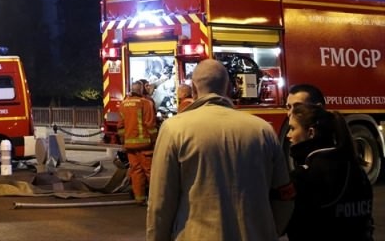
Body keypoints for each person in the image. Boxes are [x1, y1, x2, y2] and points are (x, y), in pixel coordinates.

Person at [146, 59, 295, 241]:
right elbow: (284, 195)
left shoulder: (173, 129)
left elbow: (160, 203)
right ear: (230, 88)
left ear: (193, 88)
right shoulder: (263, 130)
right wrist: (268, 231)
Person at [285, 104, 373, 240]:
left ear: (311, 132)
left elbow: (285, 223)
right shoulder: (357, 170)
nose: (288, 135)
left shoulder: (305, 175)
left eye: (292, 128)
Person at [117, 79, 157, 205]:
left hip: (130, 145)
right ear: (141, 90)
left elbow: (121, 127)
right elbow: (150, 125)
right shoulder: (146, 103)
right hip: (145, 144)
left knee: (136, 171)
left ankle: (139, 198)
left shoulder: (123, 104)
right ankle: (156, 199)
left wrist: (123, 143)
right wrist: (155, 141)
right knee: (150, 171)